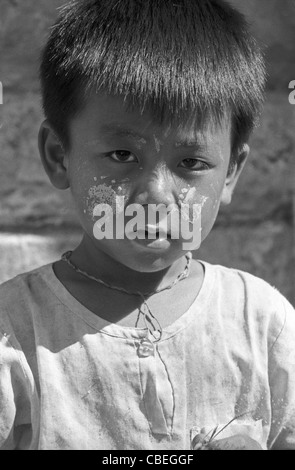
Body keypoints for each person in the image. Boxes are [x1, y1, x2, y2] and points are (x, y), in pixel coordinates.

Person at [0, 0, 294, 451]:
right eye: (122, 155)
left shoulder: (265, 325)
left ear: (231, 172)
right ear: (59, 155)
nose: (157, 195)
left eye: (192, 162)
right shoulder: (15, 334)